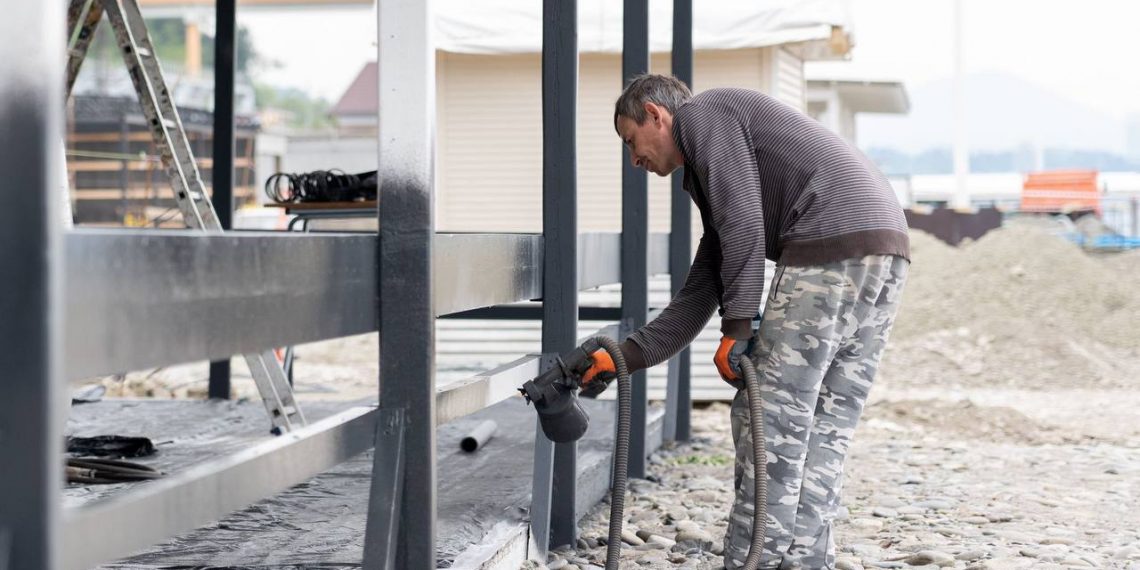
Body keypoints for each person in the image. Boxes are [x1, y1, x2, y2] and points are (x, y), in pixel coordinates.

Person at [587, 74, 910, 569]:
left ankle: (750, 561)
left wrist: (737, 327)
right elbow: (705, 281)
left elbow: (742, 224)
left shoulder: (703, 115)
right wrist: (624, 357)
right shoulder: (721, 150)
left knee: (768, 419)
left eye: (631, 141)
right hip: (886, 247)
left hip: (826, 242)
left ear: (655, 114)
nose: (634, 159)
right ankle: (804, 561)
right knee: (823, 424)